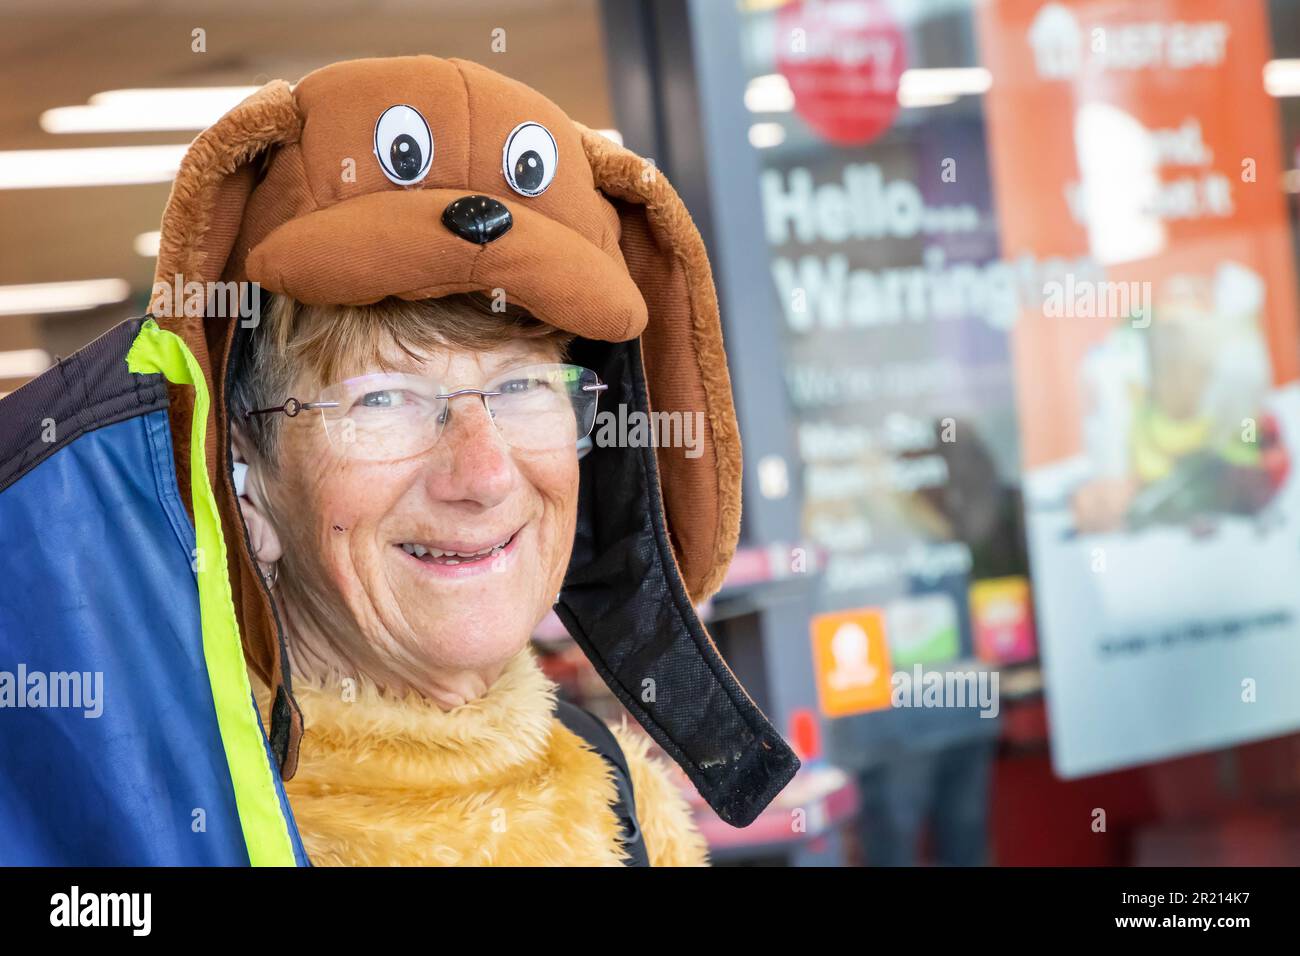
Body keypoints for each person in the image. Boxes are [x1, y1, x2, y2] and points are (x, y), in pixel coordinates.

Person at [0, 55, 799, 865]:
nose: (483, 475)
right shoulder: (153, 837)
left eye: (522, 386)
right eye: (381, 400)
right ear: (246, 483)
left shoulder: (617, 798)